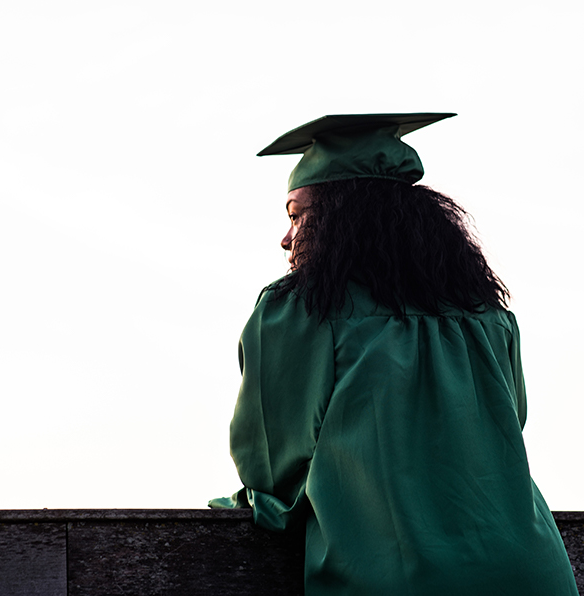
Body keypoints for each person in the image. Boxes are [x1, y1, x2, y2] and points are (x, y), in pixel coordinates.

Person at [210, 114, 578, 595]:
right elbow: (505, 433)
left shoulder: (299, 311)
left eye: (296, 215)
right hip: (532, 574)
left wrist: (251, 503)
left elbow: (272, 470)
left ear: (339, 221)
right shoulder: (488, 313)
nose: (285, 237)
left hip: (395, 578)